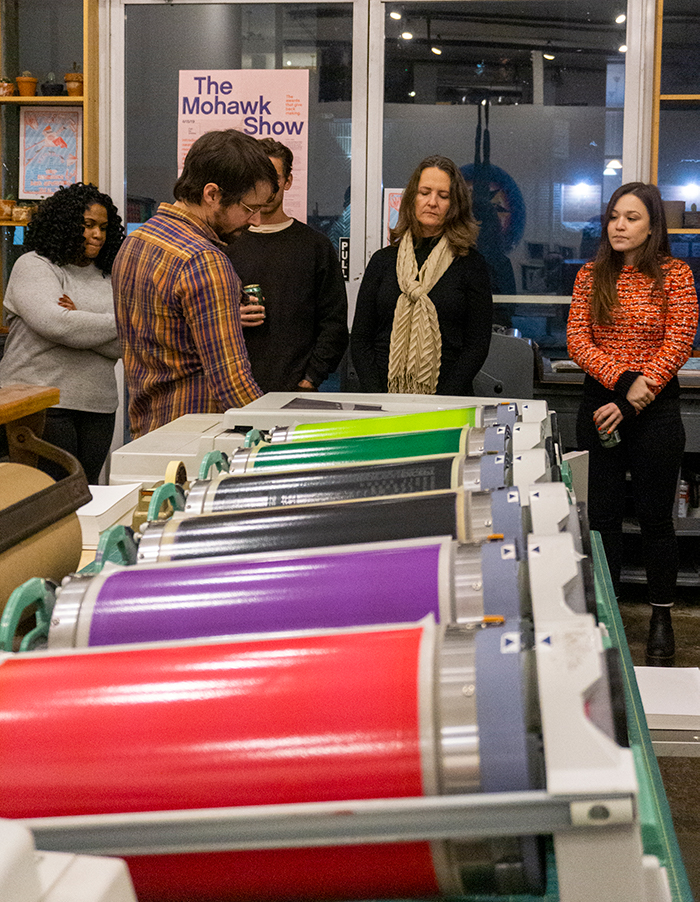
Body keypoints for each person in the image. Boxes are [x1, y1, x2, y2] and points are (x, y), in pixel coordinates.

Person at [567, 182, 698, 664]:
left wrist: (634, 399)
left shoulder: (675, 275)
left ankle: (661, 617)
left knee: (655, 518)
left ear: (652, 226)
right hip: (602, 403)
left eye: (632, 217)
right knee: (600, 520)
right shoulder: (590, 275)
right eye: (614, 216)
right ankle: (607, 614)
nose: (620, 226)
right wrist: (624, 384)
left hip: (656, 408)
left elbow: (679, 341)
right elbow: (579, 342)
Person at [112, 129, 279, 438]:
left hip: (146, 433)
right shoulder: (203, 261)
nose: (254, 220)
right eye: (248, 208)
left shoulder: (136, 241)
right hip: (196, 440)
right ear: (212, 194)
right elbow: (233, 385)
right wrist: (281, 437)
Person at [0, 182, 125, 484]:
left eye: (104, 227)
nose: (98, 234)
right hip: (41, 403)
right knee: (47, 496)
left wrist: (79, 317)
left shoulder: (109, 277)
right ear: (66, 224)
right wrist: (120, 321)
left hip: (98, 406)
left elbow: (122, 347)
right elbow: (56, 324)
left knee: (86, 493)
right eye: (89, 225)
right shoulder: (34, 265)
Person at [350, 155, 493, 396]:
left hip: (448, 401)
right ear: (412, 199)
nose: (432, 202)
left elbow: (477, 346)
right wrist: (377, 396)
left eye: (443, 196)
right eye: (424, 192)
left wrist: (440, 403)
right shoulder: (383, 261)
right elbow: (361, 339)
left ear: (454, 204)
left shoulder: (471, 264)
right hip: (382, 400)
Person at [225, 138, 348, 392]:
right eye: (257, 177)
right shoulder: (226, 244)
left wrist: (311, 378)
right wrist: (228, 318)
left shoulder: (315, 246)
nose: (265, 187)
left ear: (288, 181)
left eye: (274, 178)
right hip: (233, 390)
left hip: (297, 392)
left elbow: (333, 323)